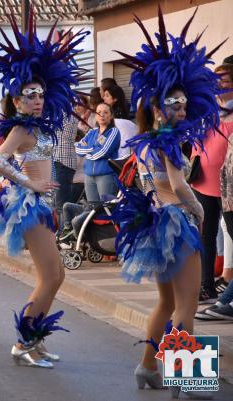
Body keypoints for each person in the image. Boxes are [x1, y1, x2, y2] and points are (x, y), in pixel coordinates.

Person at [110, 9, 221, 398]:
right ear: (158, 107)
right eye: (175, 102)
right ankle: (187, 380)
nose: (183, 108)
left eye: (185, 101)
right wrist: (201, 211)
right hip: (178, 224)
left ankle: (147, 368)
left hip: (153, 226)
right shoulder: (170, 142)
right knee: (186, 307)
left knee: (164, 303)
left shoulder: (142, 142)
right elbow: (179, 184)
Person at [0, 8, 88, 368]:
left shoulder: (40, 126)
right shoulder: (22, 129)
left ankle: (36, 340)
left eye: (40, 94)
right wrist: (30, 183)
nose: (37, 100)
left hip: (40, 205)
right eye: (29, 95)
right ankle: (22, 344)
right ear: (16, 101)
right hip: (28, 206)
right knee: (50, 277)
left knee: (56, 276)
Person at [190, 62, 233, 305]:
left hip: (229, 184)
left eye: (225, 80)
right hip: (204, 180)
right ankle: (206, 285)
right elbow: (195, 140)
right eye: (217, 81)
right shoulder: (207, 111)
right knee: (206, 234)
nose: (220, 86)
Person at [75, 103, 121, 202]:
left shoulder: (113, 132)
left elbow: (102, 152)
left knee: (106, 209)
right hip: (88, 177)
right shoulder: (92, 132)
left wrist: (87, 149)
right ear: (95, 115)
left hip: (105, 176)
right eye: (99, 112)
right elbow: (78, 149)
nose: (102, 115)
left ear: (111, 116)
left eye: (105, 112)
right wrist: (94, 148)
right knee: (92, 209)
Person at [53, 114, 79, 229]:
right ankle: (63, 233)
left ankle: (63, 234)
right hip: (63, 161)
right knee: (60, 202)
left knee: (60, 202)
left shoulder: (63, 115)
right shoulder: (66, 114)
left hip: (62, 161)